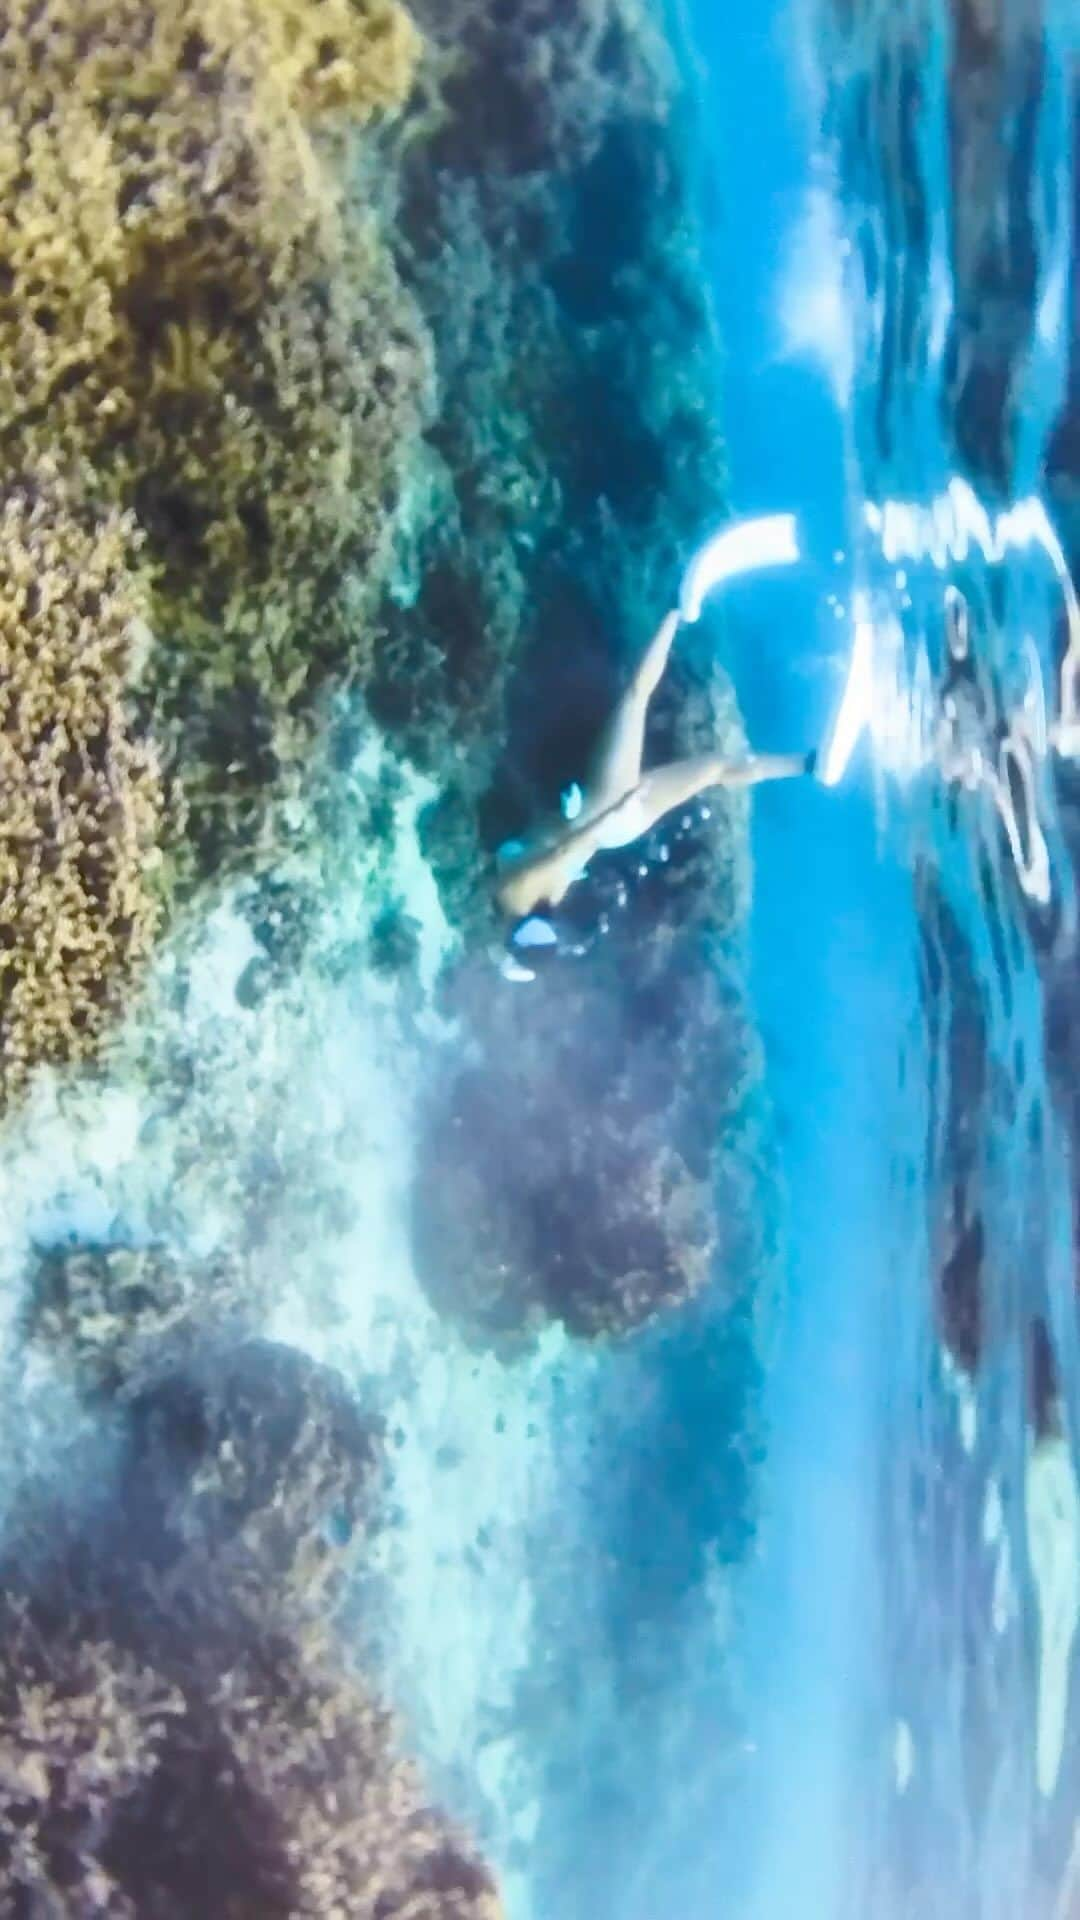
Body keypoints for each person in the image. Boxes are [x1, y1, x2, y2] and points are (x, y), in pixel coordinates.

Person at [495, 607, 816, 969]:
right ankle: (677, 609)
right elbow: (562, 851)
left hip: (618, 828)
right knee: (635, 696)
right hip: (606, 808)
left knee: (714, 769)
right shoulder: (512, 897)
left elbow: (556, 852)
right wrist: (611, 812)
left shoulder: (530, 901)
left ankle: (806, 765)